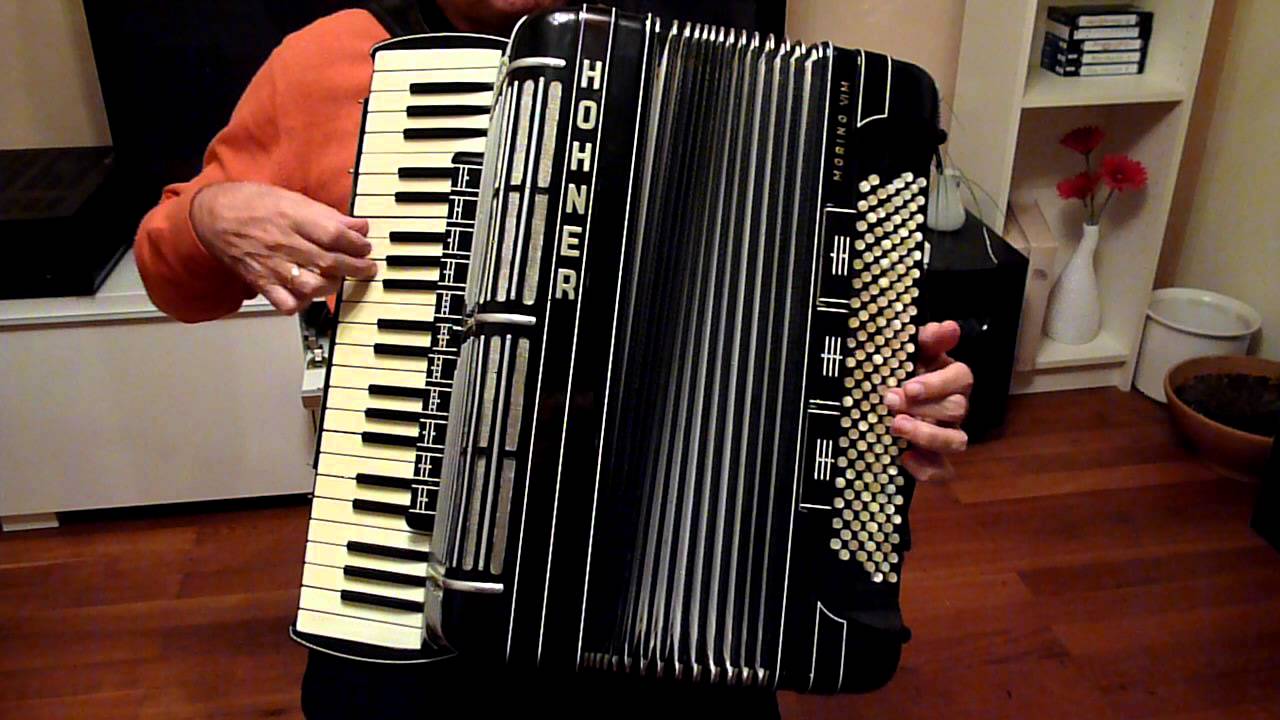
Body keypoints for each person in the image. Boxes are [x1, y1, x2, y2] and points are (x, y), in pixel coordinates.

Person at [132, 1, 973, 717]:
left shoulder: (698, 67)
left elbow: (797, 343)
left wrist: (887, 409)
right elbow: (174, 279)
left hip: (669, 596)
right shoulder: (327, 60)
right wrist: (211, 215)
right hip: (409, 588)